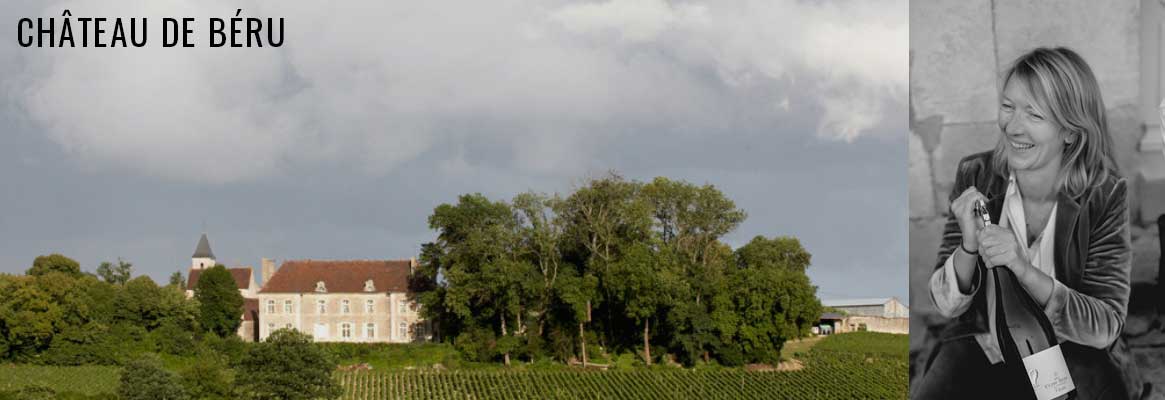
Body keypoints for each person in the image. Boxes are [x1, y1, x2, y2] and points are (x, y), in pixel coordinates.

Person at [914, 47, 1138, 399]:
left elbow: (1104, 324)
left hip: (1062, 349)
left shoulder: (1104, 194)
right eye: (1008, 107)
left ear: (1070, 131)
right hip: (987, 344)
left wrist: (1023, 268)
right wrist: (968, 247)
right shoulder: (977, 175)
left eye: (1033, 114)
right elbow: (946, 305)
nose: (1012, 126)